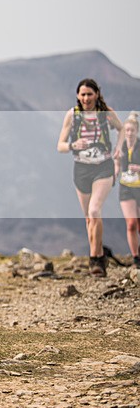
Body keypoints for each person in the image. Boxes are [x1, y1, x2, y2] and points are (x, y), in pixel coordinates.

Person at [57, 78, 123, 277]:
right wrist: (72, 146)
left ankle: (96, 260)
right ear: (78, 95)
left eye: (90, 94)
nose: (86, 98)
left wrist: (118, 151)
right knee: (89, 218)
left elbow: (121, 130)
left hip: (103, 167)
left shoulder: (106, 113)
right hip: (81, 169)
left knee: (95, 210)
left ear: (97, 94)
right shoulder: (72, 115)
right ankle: (100, 254)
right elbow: (59, 145)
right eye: (83, 94)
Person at [117, 112, 140, 268]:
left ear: (136, 130)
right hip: (125, 188)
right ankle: (136, 257)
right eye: (127, 130)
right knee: (131, 223)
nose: (129, 133)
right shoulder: (121, 146)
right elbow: (116, 165)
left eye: (132, 130)